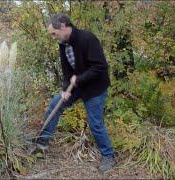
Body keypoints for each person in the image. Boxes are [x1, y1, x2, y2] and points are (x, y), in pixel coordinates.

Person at [35, 13, 116, 172]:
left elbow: (100, 67)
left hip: (95, 88)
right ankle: (41, 143)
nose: (53, 37)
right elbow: (66, 72)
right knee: (55, 105)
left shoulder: (87, 38)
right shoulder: (63, 43)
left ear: (64, 26)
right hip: (77, 87)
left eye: (54, 33)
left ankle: (108, 156)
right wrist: (66, 90)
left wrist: (78, 79)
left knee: (95, 124)